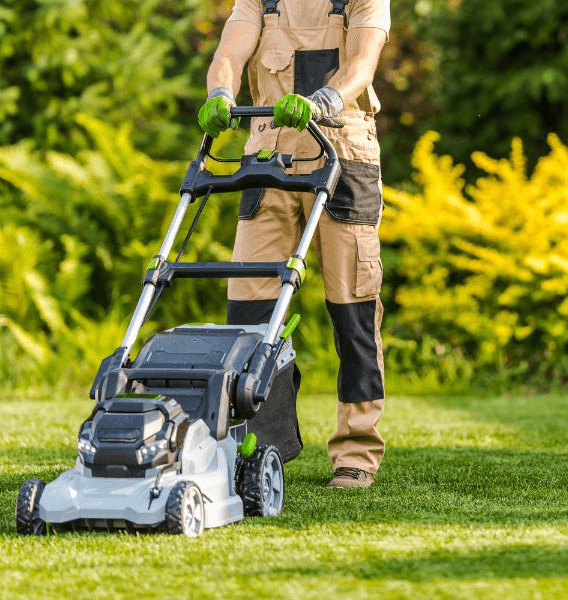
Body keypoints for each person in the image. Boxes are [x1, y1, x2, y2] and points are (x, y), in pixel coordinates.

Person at [197, 0, 390, 489]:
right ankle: (263, 446)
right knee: (250, 309)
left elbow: (362, 65)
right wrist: (220, 93)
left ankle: (356, 452)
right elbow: (229, 53)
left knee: (352, 310)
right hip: (268, 157)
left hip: (341, 153)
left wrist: (324, 99)